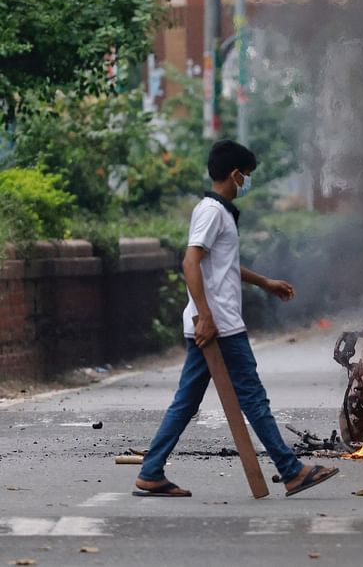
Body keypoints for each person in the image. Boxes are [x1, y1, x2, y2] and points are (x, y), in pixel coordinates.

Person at [135, 140, 338, 498]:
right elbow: (190, 262)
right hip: (221, 327)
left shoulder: (215, 211)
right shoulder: (212, 212)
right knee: (253, 399)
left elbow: (222, 265)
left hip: (214, 324)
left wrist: (265, 282)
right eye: (247, 175)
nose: (247, 181)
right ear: (235, 174)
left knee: (187, 401)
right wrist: (206, 317)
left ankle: (151, 471)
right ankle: (291, 472)